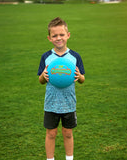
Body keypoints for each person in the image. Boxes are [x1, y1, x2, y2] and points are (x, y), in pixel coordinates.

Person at [37, 17, 85, 160]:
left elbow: (82, 79)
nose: (59, 38)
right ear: (49, 38)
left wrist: (79, 76)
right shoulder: (46, 57)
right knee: (51, 133)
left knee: (68, 133)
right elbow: (40, 80)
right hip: (51, 103)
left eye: (62, 35)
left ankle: (69, 158)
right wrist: (44, 76)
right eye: (55, 35)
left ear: (68, 35)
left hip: (69, 102)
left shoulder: (75, 57)